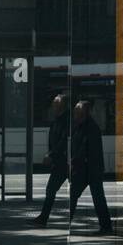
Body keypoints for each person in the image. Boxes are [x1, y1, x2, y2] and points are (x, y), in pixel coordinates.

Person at [68, 100, 114, 235]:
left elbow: (84, 149)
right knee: (81, 196)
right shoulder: (81, 126)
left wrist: (74, 162)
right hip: (87, 169)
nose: (74, 114)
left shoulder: (90, 128)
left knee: (96, 198)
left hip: (90, 170)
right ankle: (106, 226)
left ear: (84, 113)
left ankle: (106, 227)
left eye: (77, 112)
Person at [31, 95, 72, 227]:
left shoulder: (65, 120)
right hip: (61, 161)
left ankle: (43, 218)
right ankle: (43, 217)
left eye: (55, 104)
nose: (52, 106)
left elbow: (63, 141)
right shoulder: (59, 119)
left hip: (64, 162)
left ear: (61, 105)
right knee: (52, 190)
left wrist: (51, 154)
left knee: (51, 190)